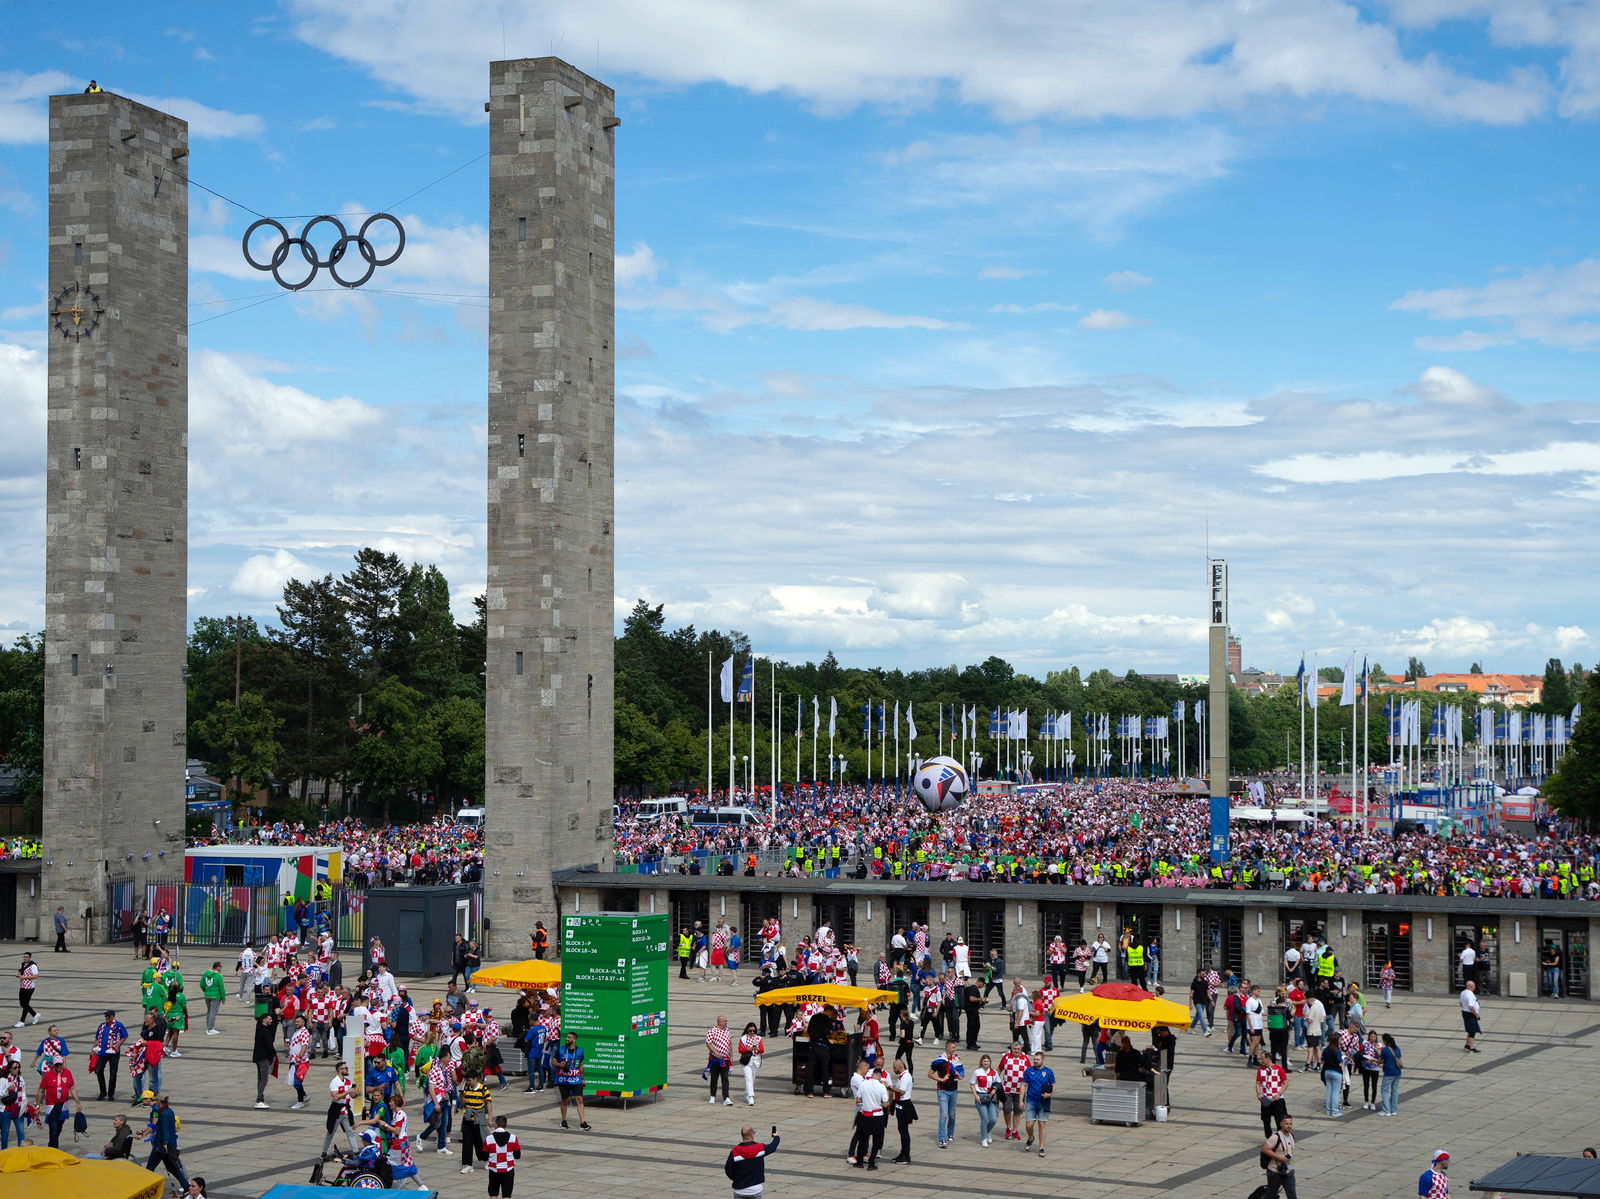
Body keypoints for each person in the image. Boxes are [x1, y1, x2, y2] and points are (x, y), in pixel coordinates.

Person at [142, 1093, 188, 1191]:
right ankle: (186, 1187)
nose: (155, 1102)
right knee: (172, 1168)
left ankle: (145, 1187)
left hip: (161, 1146)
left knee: (150, 1167)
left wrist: (165, 1144)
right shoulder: (169, 1111)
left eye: (156, 1100)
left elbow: (165, 1130)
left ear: (159, 1101)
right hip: (166, 1144)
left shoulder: (163, 1113)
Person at [850, 1057, 889, 1169]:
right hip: (877, 1116)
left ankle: (859, 1162)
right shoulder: (881, 1087)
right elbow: (886, 1104)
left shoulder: (863, 1084)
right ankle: (871, 1163)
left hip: (865, 1115)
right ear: (880, 1077)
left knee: (863, 1139)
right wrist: (879, 1103)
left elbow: (858, 1100)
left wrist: (866, 1101)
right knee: (876, 1140)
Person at [724, 1124, 779, 1198]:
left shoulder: (735, 1151)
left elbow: (728, 1169)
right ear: (752, 1135)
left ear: (742, 1135)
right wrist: (776, 1137)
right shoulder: (760, 1148)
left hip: (740, 1190)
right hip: (755, 1190)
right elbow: (773, 1147)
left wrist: (735, 1178)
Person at [37, 1058, 80, 1149]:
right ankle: (54, 1149)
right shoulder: (48, 1075)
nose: (58, 1067)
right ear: (53, 1065)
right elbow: (41, 1090)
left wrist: (78, 1102)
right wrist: (37, 1105)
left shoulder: (67, 1073)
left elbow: (72, 1088)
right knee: (53, 1128)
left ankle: (51, 1145)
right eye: (56, 1065)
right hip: (51, 1105)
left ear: (62, 1064)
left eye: (60, 1064)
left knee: (59, 1127)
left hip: (63, 1105)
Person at [927, 1040, 963, 1149]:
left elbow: (961, 1073)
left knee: (952, 1114)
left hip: (954, 1090)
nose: (954, 1049)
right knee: (944, 1114)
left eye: (955, 1047)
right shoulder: (940, 1061)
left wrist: (959, 1075)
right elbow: (929, 1074)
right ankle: (942, 1139)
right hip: (942, 1091)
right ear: (947, 1048)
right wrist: (941, 1079)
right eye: (953, 1047)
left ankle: (950, 1133)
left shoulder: (956, 1059)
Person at [552, 1031, 590, 1130]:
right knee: (565, 1100)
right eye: (566, 1037)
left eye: (569, 1038)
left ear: (574, 1040)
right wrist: (560, 1065)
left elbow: (581, 1065)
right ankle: (563, 1121)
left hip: (576, 1079)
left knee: (580, 1099)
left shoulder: (580, 1051)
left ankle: (583, 1122)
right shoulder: (560, 1050)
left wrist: (582, 1078)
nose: (566, 1039)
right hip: (563, 1079)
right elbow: (553, 1062)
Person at [1020, 1050, 1054, 1158]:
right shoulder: (1029, 1071)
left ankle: (1041, 1147)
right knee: (1029, 1125)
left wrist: (1050, 1094)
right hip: (1031, 1101)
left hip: (1043, 1102)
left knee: (1041, 1125)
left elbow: (1053, 1085)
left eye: (1037, 1059)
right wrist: (1021, 1100)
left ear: (1043, 1060)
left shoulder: (1048, 1072)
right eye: (1034, 1059)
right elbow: (1024, 1085)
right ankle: (1030, 1137)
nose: (1035, 1061)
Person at [457, 1071, 491, 1173]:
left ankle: (487, 1160)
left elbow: (488, 1103)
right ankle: (468, 1164)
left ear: (475, 1079)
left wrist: (490, 1118)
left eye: (470, 1080)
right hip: (467, 1118)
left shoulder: (483, 1089)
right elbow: (463, 1103)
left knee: (480, 1141)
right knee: (466, 1142)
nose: (468, 1082)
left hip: (479, 1119)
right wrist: (462, 1093)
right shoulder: (466, 1088)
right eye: (467, 1081)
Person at [92, 1009, 127, 1101]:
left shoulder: (118, 1025)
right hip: (102, 1052)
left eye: (108, 1016)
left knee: (113, 1073)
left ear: (113, 1016)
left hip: (113, 1053)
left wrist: (118, 1045)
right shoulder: (102, 1026)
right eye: (105, 1016)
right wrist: (93, 1049)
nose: (106, 1018)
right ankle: (103, 1091)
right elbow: (97, 1038)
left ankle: (111, 1094)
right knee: (99, 1071)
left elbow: (125, 1035)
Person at [483, 1115, 522, 1196]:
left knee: (493, 1195)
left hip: (494, 1170)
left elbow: (484, 1156)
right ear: (505, 1125)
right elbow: (517, 1155)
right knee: (507, 1195)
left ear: (496, 1125)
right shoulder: (513, 1138)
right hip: (508, 1170)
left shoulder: (489, 1139)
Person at [998, 1040, 1028, 1141]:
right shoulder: (1006, 1057)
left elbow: (1029, 1072)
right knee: (1006, 1109)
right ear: (1011, 1048)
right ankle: (1008, 1128)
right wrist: (995, 1081)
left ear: (1021, 1049)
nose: (1016, 1050)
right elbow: (999, 1069)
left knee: (1018, 1111)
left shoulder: (1025, 1058)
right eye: (1015, 1049)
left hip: (1020, 1090)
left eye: (1018, 1049)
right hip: (1007, 1089)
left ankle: (1015, 1130)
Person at [1261, 1113, 1296, 1199]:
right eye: (1286, 1123)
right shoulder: (1275, 1137)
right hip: (1275, 1172)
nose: (1289, 1126)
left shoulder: (1291, 1136)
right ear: (1281, 1124)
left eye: (1290, 1123)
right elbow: (1265, 1149)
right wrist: (1279, 1157)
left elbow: (1290, 1153)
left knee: (1292, 1195)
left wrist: (1291, 1165)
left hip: (1288, 1171)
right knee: (1270, 1195)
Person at [1255, 1051, 1289, 1138]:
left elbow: (1285, 1083)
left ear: (1268, 1058)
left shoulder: (1279, 1069)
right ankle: (1269, 1137)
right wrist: (1258, 1094)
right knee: (1265, 1120)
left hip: (1277, 1100)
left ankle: (1280, 1138)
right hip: (1266, 1099)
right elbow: (1258, 1083)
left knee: (1280, 1120)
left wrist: (1279, 1094)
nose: (1261, 1061)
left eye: (1262, 1059)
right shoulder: (1260, 1070)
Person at [970, 1053, 999, 1147]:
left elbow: (998, 1083)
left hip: (990, 1097)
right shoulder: (977, 1072)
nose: (986, 1063)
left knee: (993, 1119)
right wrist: (976, 1096)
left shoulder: (994, 1072)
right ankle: (984, 1138)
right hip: (980, 1097)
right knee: (984, 1118)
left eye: (987, 1061)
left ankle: (987, 1131)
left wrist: (994, 1090)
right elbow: (972, 1084)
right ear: (981, 1062)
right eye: (984, 1061)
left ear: (990, 1062)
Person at [252, 1010, 280, 1109]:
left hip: (257, 1056)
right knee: (264, 1078)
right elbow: (269, 1045)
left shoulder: (259, 1027)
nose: (271, 1020)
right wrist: (274, 1053)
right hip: (263, 1057)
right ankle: (259, 1099)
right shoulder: (266, 1031)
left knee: (260, 1078)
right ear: (264, 1020)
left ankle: (261, 1098)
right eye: (269, 1019)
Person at [706, 1014, 734, 1105]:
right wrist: (715, 1052)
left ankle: (726, 1098)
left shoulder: (728, 1031)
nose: (726, 1022)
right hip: (715, 1058)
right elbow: (708, 1043)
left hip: (725, 1058)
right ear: (719, 1022)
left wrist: (731, 1057)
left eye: (726, 1021)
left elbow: (729, 1044)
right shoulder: (712, 1031)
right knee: (714, 1077)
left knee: (725, 1078)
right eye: (724, 1021)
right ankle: (712, 1096)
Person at [737, 1021, 764, 1106]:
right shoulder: (743, 1038)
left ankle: (747, 1094)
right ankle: (751, 1097)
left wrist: (757, 1049)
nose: (752, 1032)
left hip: (755, 1060)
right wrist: (748, 1049)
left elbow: (762, 1050)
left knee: (752, 1079)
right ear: (747, 1030)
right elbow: (740, 1050)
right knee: (748, 1078)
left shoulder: (758, 1038)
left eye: (754, 1031)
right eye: (750, 1031)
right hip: (746, 1060)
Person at [1379, 1033, 1402, 1116]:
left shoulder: (1385, 1050)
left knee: (1384, 1091)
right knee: (1394, 1091)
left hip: (1389, 1073)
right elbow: (1399, 1057)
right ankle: (1393, 1110)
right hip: (1398, 1072)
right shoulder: (1397, 1048)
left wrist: (1374, 1060)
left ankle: (1386, 1110)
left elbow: (1381, 1061)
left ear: (1385, 1041)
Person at [201, 961, 226, 1035]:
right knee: (213, 1012)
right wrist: (223, 998)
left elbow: (201, 984)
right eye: (220, 967)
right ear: (217, 967)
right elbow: (221, 988)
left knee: (209, 1011)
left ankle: (208, 1027)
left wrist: (206, 990)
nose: (221, 968)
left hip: (207, 995)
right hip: (216, 996)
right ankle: (210, 1028)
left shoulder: (205, 974)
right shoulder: (218, 976)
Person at [15, 952, 38, 1027]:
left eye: (27, 957)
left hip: (29, 987)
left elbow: (36, 976)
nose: (25, 958)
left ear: (30, 958)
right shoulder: (22, 964)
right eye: (24, 957)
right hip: (22, 986)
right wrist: (18, 975)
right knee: (22, 1003)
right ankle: (35, 1014)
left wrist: (23, 977)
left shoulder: (33, 966)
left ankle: (22, 1021)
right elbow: (21, 973)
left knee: (25, 1004)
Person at [1459, 980, 1482, 1053]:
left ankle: (1467, 1045)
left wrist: (1464, 1008)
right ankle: (1471, 1048)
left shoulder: (1463, 992)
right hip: (1470, 1014)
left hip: (1465, 1012)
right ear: (1471, 986)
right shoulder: (1470, 994)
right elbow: (1471, 1006)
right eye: (1474, 986)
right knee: (1472, 1031)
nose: (1475, 987)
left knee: (1470, 1030)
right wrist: (1476, 1014)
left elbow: (1460, 1003)